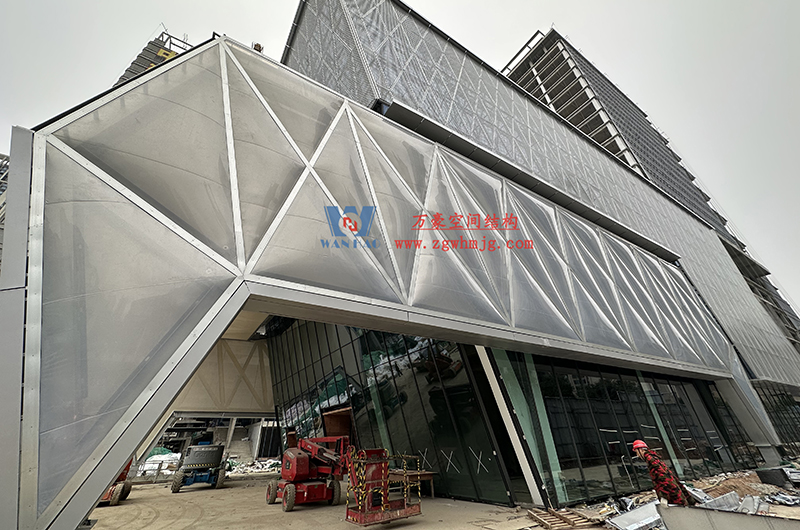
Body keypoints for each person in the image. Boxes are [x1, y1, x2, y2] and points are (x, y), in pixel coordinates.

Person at [633, 440, 696, 506]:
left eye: (637, 452)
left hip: (671, 493)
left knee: (680, 508)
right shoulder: (654, 458)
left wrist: (664, 497)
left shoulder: (651, 460)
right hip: (673, 489)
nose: (637, 455)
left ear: (641, 450)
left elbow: (663, 478)